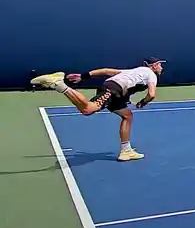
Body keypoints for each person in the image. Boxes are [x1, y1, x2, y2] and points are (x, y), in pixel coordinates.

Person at [30, 58, 165, 162]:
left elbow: (106, 71)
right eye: (159, 64)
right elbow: (151, 94)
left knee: (127, 115)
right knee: (87, 109)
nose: (161, 67)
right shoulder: (151, 74)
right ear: (153, 66)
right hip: (113, 90)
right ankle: (59, 84)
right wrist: (143, 102)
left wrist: (83, 76)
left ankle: (126, 151)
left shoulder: (135, 71)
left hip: (112, 89)